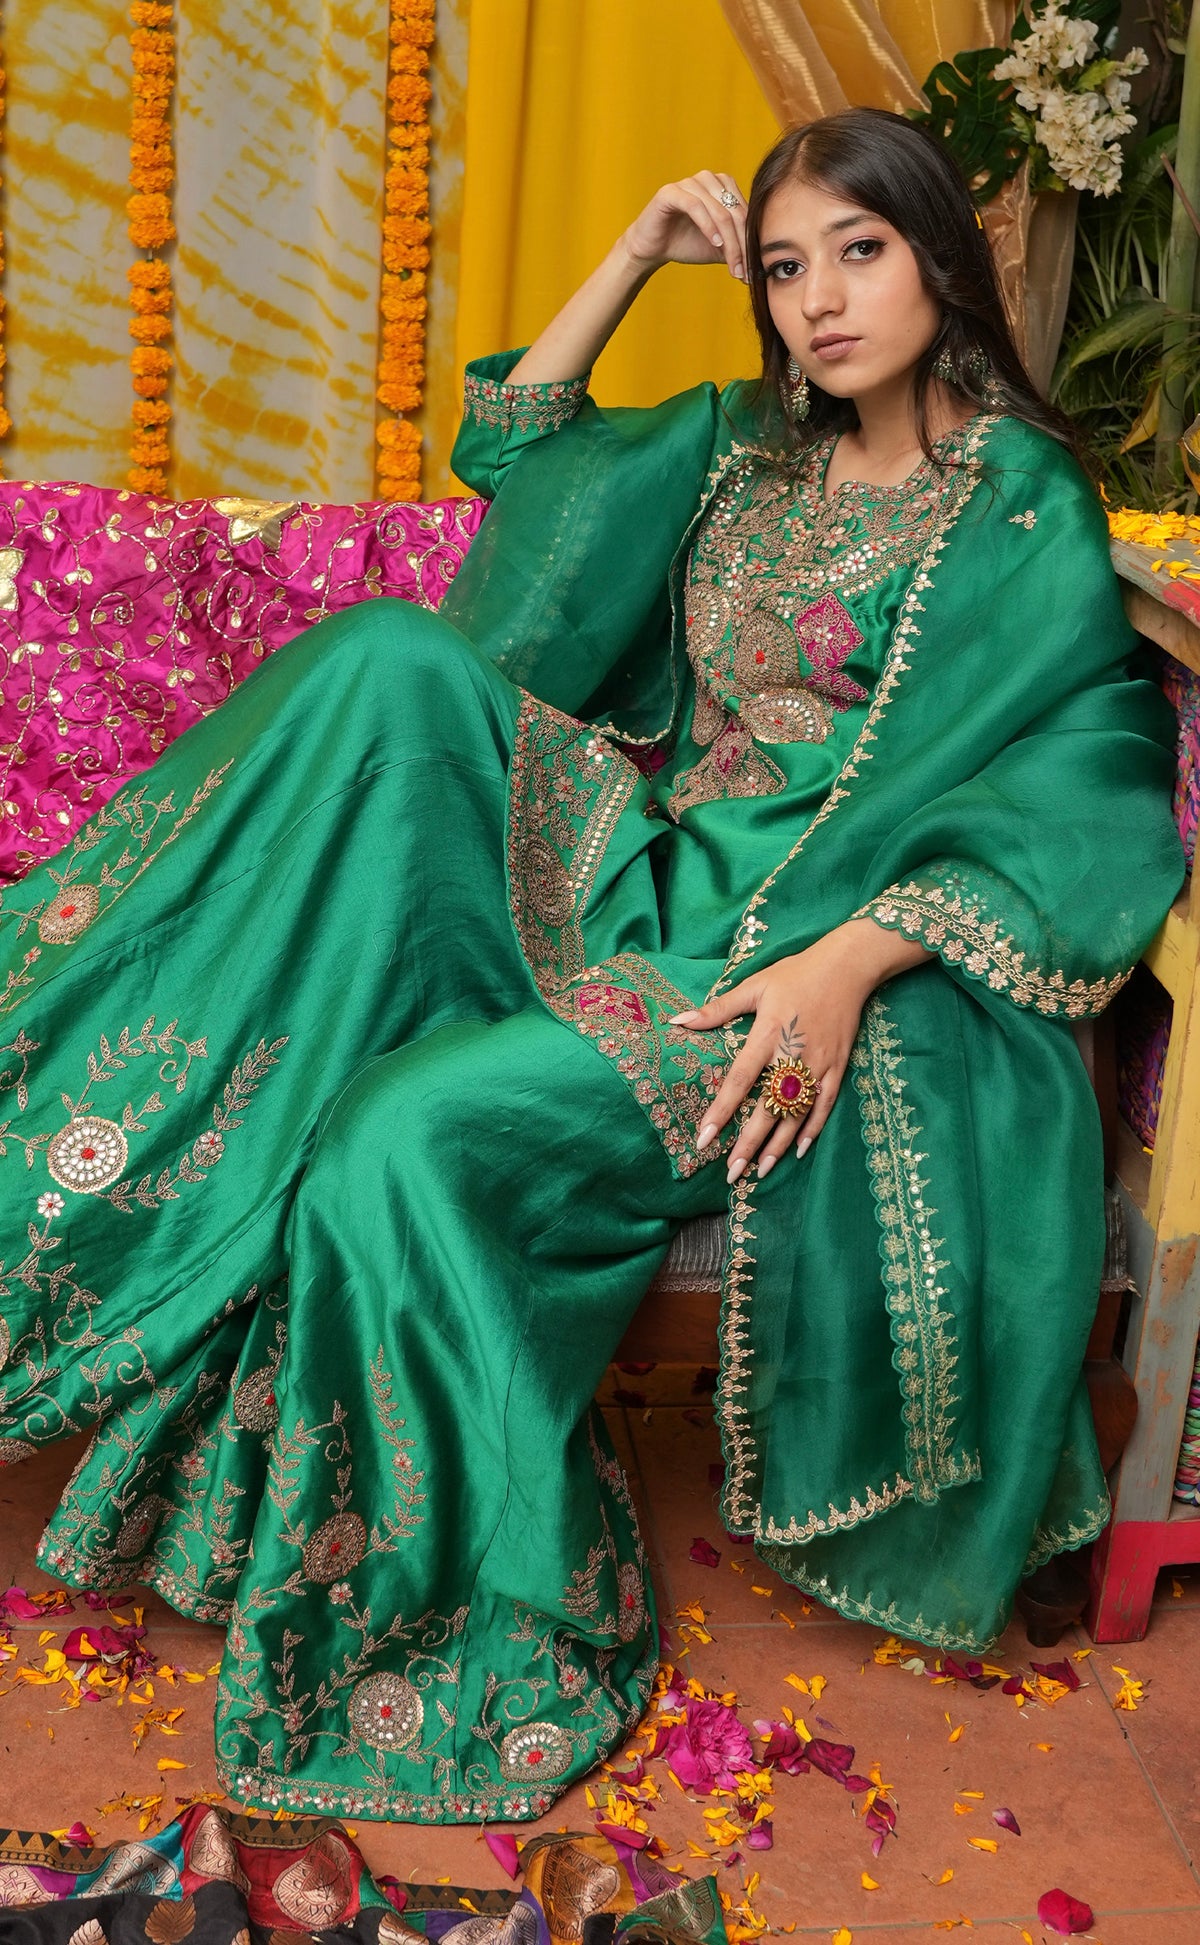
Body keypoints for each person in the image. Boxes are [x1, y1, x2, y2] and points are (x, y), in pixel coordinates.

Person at [0, 107, 1182, 1826]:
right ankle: (46, 1093)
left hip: (752, 970)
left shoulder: (1015, 505)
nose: (820, 302)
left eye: (860, 253)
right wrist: (636, 255)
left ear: (941, 256)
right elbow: (519, 447)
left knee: (396, 1139)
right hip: (629, 875)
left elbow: (1090, 776)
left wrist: (851, 965)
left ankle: (474, 1601)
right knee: (393, 662)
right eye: (787, 268)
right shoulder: (748, 449)